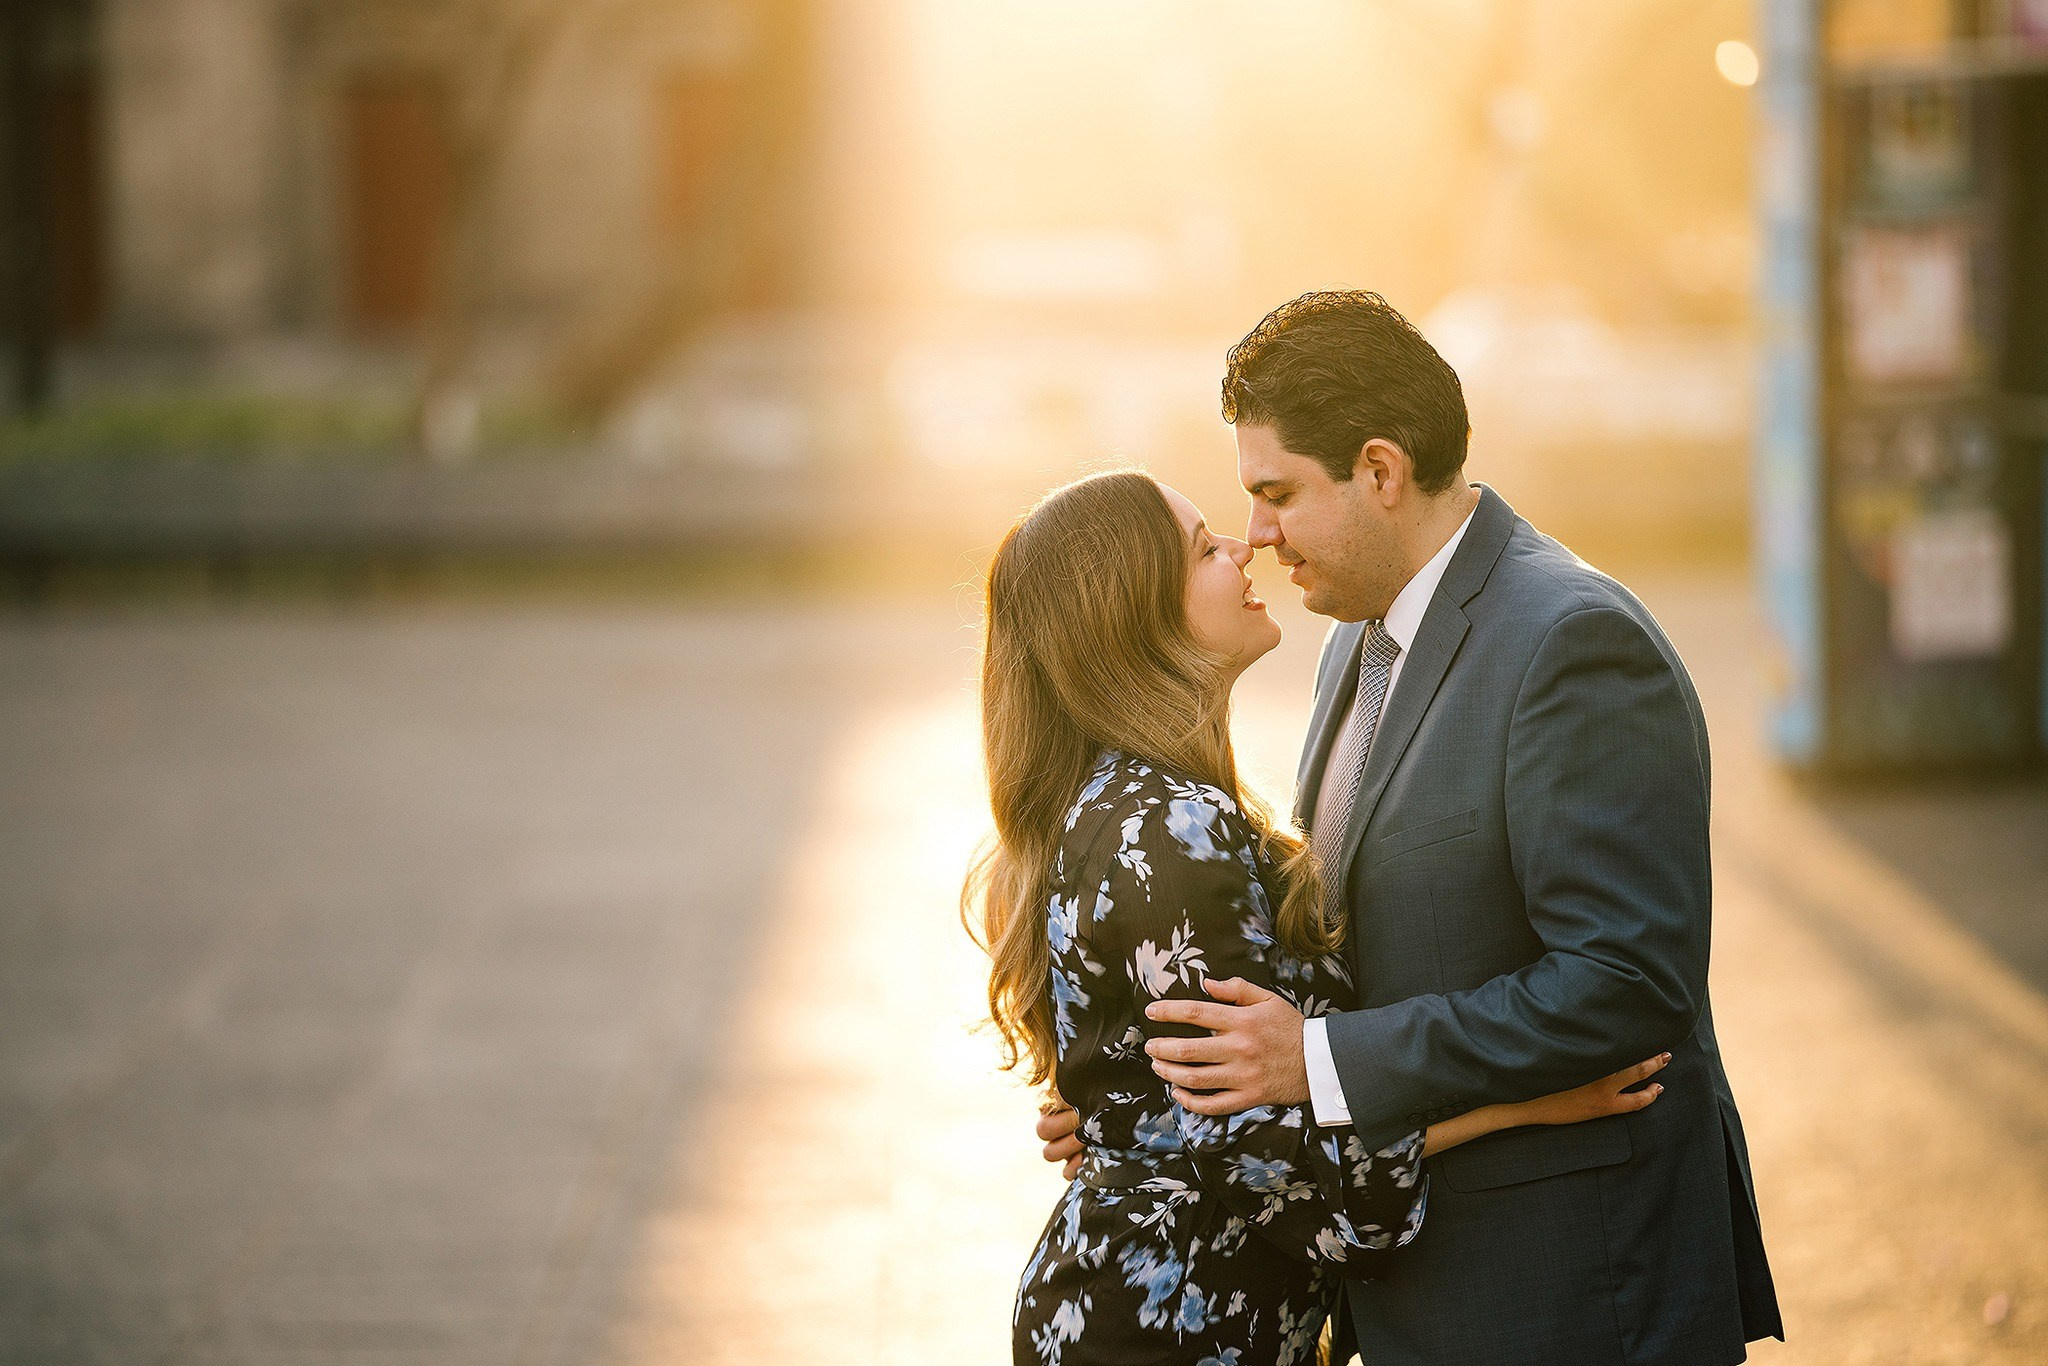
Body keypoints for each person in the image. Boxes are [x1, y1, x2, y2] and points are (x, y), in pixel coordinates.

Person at [1037, 292, 1782, 1365]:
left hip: (1567, 1294)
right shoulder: (1354, 640)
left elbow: (1627, 982)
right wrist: (1134, 1108)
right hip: (1413, 1291)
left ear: (1378, 471)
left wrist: (1320, 1059)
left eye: (1276, 492)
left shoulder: (1570, 643)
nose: (1255, 534)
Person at [970, 469, 1672, 1366]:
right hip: (1169, 1329)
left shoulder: (1135, 801)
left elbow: (1191, 1104)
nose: (1244, 543)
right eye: (1201, 548)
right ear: (1137, 616)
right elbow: (1283, 1169)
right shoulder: (1168, 827)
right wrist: (1524, 1103)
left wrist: (1125, 1120)